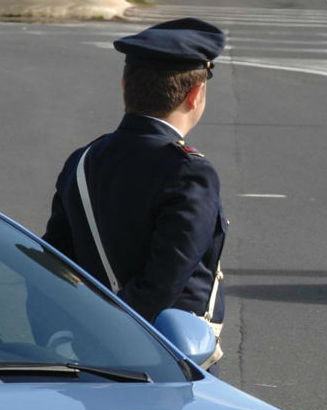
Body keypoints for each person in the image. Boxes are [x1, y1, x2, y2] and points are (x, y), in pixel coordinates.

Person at [42, 18, 227, 370]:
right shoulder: (189, 172)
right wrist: (118, 340)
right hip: (164, 360)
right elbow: (164, 282)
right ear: (195, 94)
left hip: (86, 351)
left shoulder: (84, 159)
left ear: (125, 84)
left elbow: (52, 265)